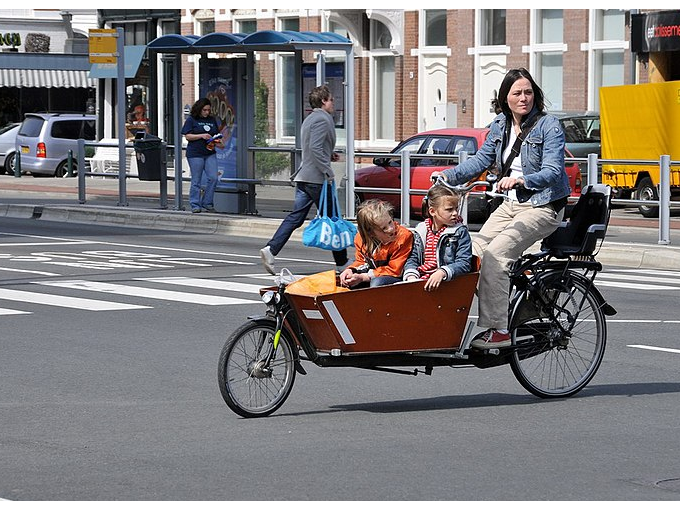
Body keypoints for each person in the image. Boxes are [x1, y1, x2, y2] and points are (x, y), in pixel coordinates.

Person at [431, 68, 571, 350]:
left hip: (543, 206)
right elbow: (482, 159)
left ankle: (499, 329)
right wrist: (450, 176)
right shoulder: (500, 124)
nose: (524, 98)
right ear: (505, 98)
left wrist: (523, 179)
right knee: (469, 253)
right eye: (517, 93)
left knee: (496, 256)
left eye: (528, 92)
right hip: (511, 204)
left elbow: (554, 171)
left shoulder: (549, 126)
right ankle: (448, 322)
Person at [260, 85, 348, 275]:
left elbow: (313, 147)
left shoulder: (310, 119)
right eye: (331, 99)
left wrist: (328, 153)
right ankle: (342, 263)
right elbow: (315, 149)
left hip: (304, 177)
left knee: (296, 217)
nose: (334, 103)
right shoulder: (323, 120)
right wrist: (328, 171)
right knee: (333, 219)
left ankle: (270, 250)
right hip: (316, 179)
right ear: (324, 101)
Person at [402, 186, 472, 291]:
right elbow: (413, 257)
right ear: (432, 211)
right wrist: (411, 274)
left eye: (456, 208)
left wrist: (442, 272)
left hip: (444, 282)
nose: (455, 213)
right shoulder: (421, 230)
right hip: (421, 279)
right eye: (449, 210)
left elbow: (464, 262)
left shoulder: (459, 231)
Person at [339, 199, 413, 288]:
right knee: (348, 281)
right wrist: (351, 269)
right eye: (384, 228)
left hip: (397, 276)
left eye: (390, 222)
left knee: (377, 283)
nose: (391, 229)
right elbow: (361, 261)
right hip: (375, 273)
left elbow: (395, 269)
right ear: (370, 233)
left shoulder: (403, 236)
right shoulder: (360, 239)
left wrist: (364, 277)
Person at [181, 98, 224, 213]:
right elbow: (188, 136)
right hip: (195, 153)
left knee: (214, 177)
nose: (207, 112)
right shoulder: (192, 120)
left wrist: (217, 141)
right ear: (199, 109)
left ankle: (207, 202)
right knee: (196, 180)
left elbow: (216, 134)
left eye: (208, 110)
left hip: (210, 152)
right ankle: (195, 204)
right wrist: (201, 136)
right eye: (204, 110)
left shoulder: (212, 120)